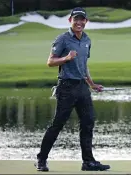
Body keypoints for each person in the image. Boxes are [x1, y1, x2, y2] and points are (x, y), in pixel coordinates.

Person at [34, 7, 111, 172]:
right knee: (58, 124)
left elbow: (84, 66)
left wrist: (92, 84)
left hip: (82, 88)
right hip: (66, 87)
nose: (79, 22)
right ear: (70, 21)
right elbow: (50, 62)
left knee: (88, 123)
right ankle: (41, 159)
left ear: (86, 22)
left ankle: (88, 162)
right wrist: (66, 58)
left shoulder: (87, 40)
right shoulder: (62, 39)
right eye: (76, 19)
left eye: (82, 19)